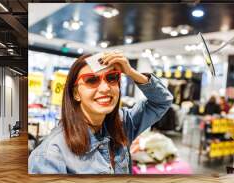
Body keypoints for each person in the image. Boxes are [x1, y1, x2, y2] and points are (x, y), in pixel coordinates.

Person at [28, 52, 173, 174]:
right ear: (76, 93)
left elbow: (162, 101)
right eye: (91, 80)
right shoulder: (51, 155)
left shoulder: (122, 124)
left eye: (112, 78)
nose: (105, 88)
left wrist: (130, 72)